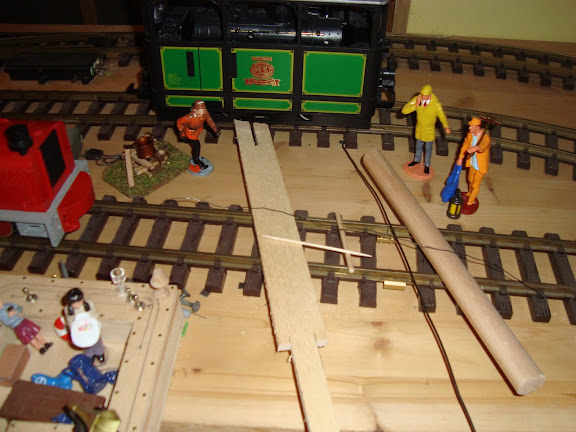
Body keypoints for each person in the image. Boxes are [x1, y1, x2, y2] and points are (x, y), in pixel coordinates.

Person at [401, 84, 451, 175]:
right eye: (422, 94)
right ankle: (416, 160)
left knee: (428, 149)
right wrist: (416, 105)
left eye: (425, 95)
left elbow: (442, 116)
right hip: (419, 129)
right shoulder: (417, 99)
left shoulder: (436, 104)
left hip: (429, 131)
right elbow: (404, 110)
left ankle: (427, 164)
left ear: (429, 95)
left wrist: (446, 126)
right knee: (418, 146)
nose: (422, 96)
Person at [456, 117, 491, 213]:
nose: (469, 128)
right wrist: (460, 157)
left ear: (477, 127)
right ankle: (469, 193)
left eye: (472, 126)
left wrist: (477, 147)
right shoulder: (470, 135)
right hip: (472, 163)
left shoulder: (485, 137)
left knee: (476, 184)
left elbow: (485, 145)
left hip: (480, 167)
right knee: (470, 180)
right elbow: (465, 146)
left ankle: (470, 202)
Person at [176, 100, 220, 175]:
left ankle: (196, 158)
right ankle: (196, 160)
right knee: (197, 146)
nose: (202, 111)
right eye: (200, 109)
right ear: (195, 110)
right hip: (190, 133)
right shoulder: (189, 117)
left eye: (203, 109)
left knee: (195, 146)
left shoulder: (205, 113)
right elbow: (179, 122)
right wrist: (182, 134)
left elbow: (209, 120)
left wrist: (215, 129)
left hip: (198, 130)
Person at [63, 288, 106, 365]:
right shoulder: (68, 310)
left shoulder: (88, 305)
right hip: (80, 329)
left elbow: (94, 314)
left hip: (91, 326)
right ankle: (90, 354)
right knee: (86, 343)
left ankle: (99, 352)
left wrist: (92, 321)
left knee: (96, 341)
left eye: (79, 302)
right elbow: (69, 321)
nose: (77, 305)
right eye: (74, 303)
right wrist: (74, 328)